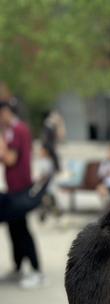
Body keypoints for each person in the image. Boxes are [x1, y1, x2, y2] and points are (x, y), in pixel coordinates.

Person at [0, 98, 44, 288]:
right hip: (13, 190)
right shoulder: (11, 131)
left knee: (22, 230)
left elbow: (10, 159)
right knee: (14, 228)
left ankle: (36, 270)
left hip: (21, 189)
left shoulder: (19, 130)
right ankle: (18, 268)